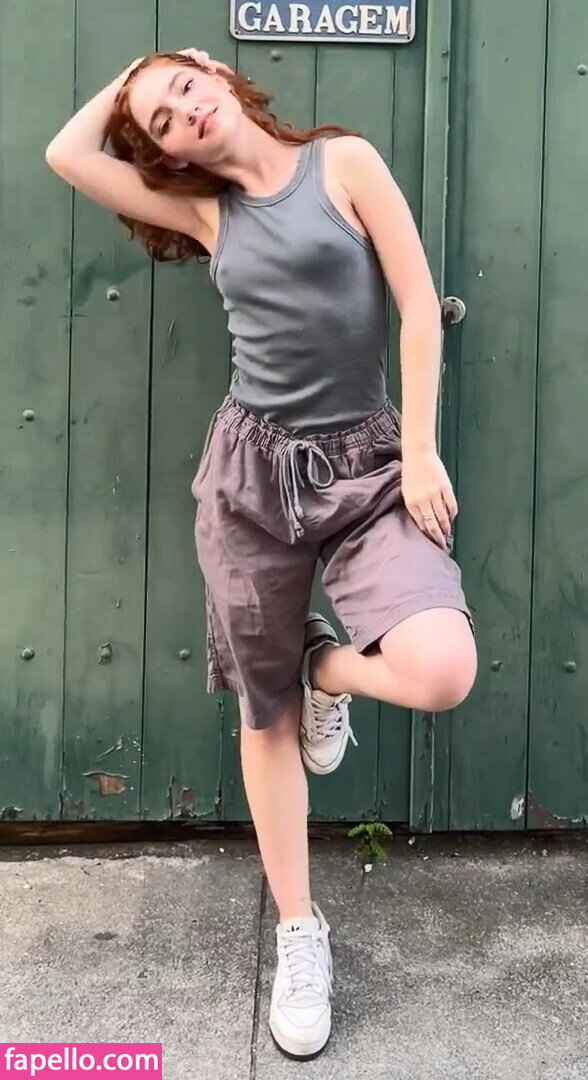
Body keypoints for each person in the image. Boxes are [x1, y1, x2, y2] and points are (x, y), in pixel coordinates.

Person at [45, 47, 478, 1061]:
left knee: (441, 669)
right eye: (160, 120)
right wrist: (134, 82)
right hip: (250, 477)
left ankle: (326, 668)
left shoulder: (345, 163)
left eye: (186, 86)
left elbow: (418, 306)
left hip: (368, 466)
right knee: (263, 712)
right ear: (165, 152)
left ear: (221, 75)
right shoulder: (207, 213)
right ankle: (298, 930)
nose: (182, 111)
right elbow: (67, 153)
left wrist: (420, 451)